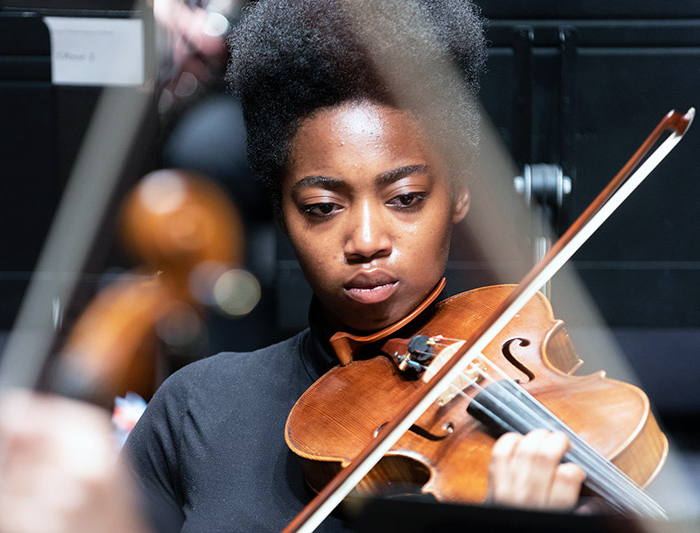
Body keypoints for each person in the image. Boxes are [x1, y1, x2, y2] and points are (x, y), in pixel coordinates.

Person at [123, 0, 586, 531]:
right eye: (323, 208)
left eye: (406, 198)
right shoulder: (199, 408)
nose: (366, 241)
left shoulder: (545, 433)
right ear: (281, 211)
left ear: (459, 195)